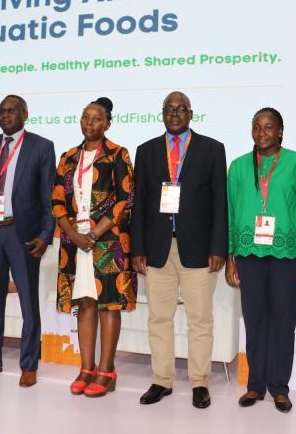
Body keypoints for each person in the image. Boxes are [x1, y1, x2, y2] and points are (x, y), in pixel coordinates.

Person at [131, 91, 228, 409]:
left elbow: (219, 202)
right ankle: (162, 380)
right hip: (158, 249)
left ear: (191, 113)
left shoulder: (212, 149)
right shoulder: (145, 151)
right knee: (159, 318)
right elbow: (140, 203)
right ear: (162, 114)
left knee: (200, 319)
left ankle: (200, 382)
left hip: (199, 251)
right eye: (169, 109)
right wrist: (138, 248)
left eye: (181, 109)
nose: (174, 114)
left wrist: (219, 248)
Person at [225, 107, 296, 413]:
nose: (262, 133)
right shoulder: (238, 166)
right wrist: (231, 257)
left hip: (287, 256)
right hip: (248, 255)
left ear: (280, 131)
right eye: (257, 127)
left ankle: (279, 387)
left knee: (283, 322)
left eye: (268, 127)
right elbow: (231, 214)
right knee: (254, 322)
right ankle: (255, 385)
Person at [0, 94, 56, 388]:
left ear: (25, 114)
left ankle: (29, 365)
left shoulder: (41, 146)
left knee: (29, 303)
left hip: (23, 234)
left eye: (12, 111)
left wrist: (45, 235)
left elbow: (48, 197)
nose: (6, 116)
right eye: (2, 112)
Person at [53, 97, 137, 398]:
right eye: (86, 117)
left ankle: (106, 370)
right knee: (85, 302)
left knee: (108, 304)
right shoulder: (68, 157)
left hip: (108, 242)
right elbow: (57, 199)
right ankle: (86, 368)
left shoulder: (117, 154)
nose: (90, 123)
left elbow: (125, 198)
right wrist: (73, 234)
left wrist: (95, 233)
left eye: (97, 118)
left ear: (108, 123)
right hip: (74, 242)